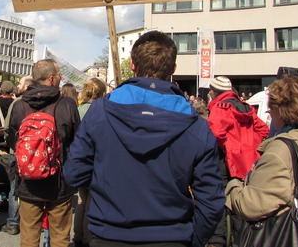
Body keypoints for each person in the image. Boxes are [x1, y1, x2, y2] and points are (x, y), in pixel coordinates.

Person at [63, 31, 224, 247]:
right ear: (173, 70)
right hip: (169, 236)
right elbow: (211, 201)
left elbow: (74, 173)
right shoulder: (197, 127)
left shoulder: (100, 113)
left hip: (109, 235)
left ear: (133, 64)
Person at [225, 75, 298, 245]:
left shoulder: (280, 150)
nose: (269, 111)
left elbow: (252, 205)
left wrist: (233, 186)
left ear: (283, 110)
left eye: (272, 106)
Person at [7, 59, 80, 247]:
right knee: (60, 237)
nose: (61, 78)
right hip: (59, 181)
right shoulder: (67, 105)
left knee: (29, 237)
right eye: (59, 75)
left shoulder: (19, 106)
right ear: (51, 78)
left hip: (28, 180)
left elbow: (12, 139)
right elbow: (76, 141)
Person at [206, 76, 269, 247]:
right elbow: (264, 130)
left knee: (220, 199)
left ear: (214, 91)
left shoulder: (220, 107)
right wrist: (249, 146)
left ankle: (219, 240)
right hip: (248, 162)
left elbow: (216, 134)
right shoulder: (246, 107)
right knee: (242, 202)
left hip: (227, 161)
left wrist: (230, 145)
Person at [72, 78, 107, 247]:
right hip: (95, 161)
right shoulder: (101, 111)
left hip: (80, 160)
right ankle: (87, 238)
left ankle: (77, 236)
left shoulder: (78, 110)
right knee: (90, 203)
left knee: (81, 200)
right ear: (101, 94)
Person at [0, 75, 34, 236]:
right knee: (34, 188)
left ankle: (13, 222)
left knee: (15, 188)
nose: (18, 87)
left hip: (18, 151)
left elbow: (7, 127)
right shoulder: (43, 103)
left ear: (26, 87)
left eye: (20, 84)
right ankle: (33, 222)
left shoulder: (17, 103)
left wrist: (11, 144)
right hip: (37, 153)